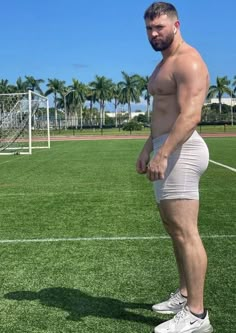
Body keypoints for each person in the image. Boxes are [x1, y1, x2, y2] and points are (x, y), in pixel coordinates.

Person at [136, 2, 213, 333]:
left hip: (181, 149)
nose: (154, 34)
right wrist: (147, 147)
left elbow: (190, 115)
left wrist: (164, 152)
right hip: (165, 146)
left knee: (185, 231)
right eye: (149, 29)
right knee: (173, 228)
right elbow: (161, 112)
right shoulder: (163, 64)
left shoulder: (189, 61)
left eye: (160, 28)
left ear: (176, 25)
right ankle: (184, 294)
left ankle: (197, 314)